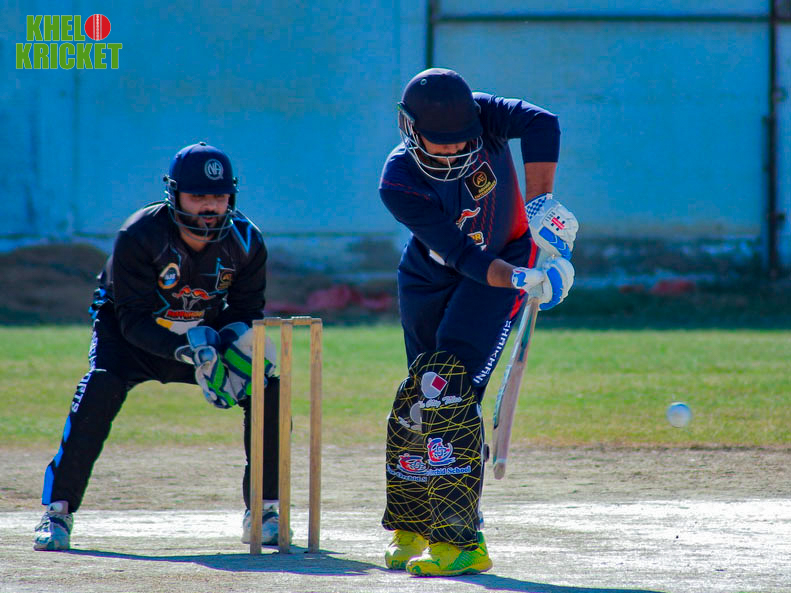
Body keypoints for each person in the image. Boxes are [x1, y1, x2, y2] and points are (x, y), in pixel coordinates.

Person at [33, 142, 284, 551]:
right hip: (132, 336)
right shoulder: (139, 235)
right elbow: (131, 319)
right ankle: (56, 512)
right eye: (198, 196)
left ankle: (265, 510)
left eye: (219, 196)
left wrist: (231, 347)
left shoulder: (247, 241)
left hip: (203, 336)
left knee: (267, 387)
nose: (210, 206)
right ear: (174, 194)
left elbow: (245, 310)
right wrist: (185, 351)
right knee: (99, 386)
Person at [378, 68, 578, 576]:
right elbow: (463, 256)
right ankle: (415, 522)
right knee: (420, 394)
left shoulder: (485, 114)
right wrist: (523, 280)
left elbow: (542, 123)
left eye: (460, 138)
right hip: (437, 272)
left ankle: (461, 540)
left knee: (449, 392)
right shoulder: (398, 181)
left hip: (503, 260)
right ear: (409, 127)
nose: (451, 149)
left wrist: (540, 207)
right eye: (438, 140)